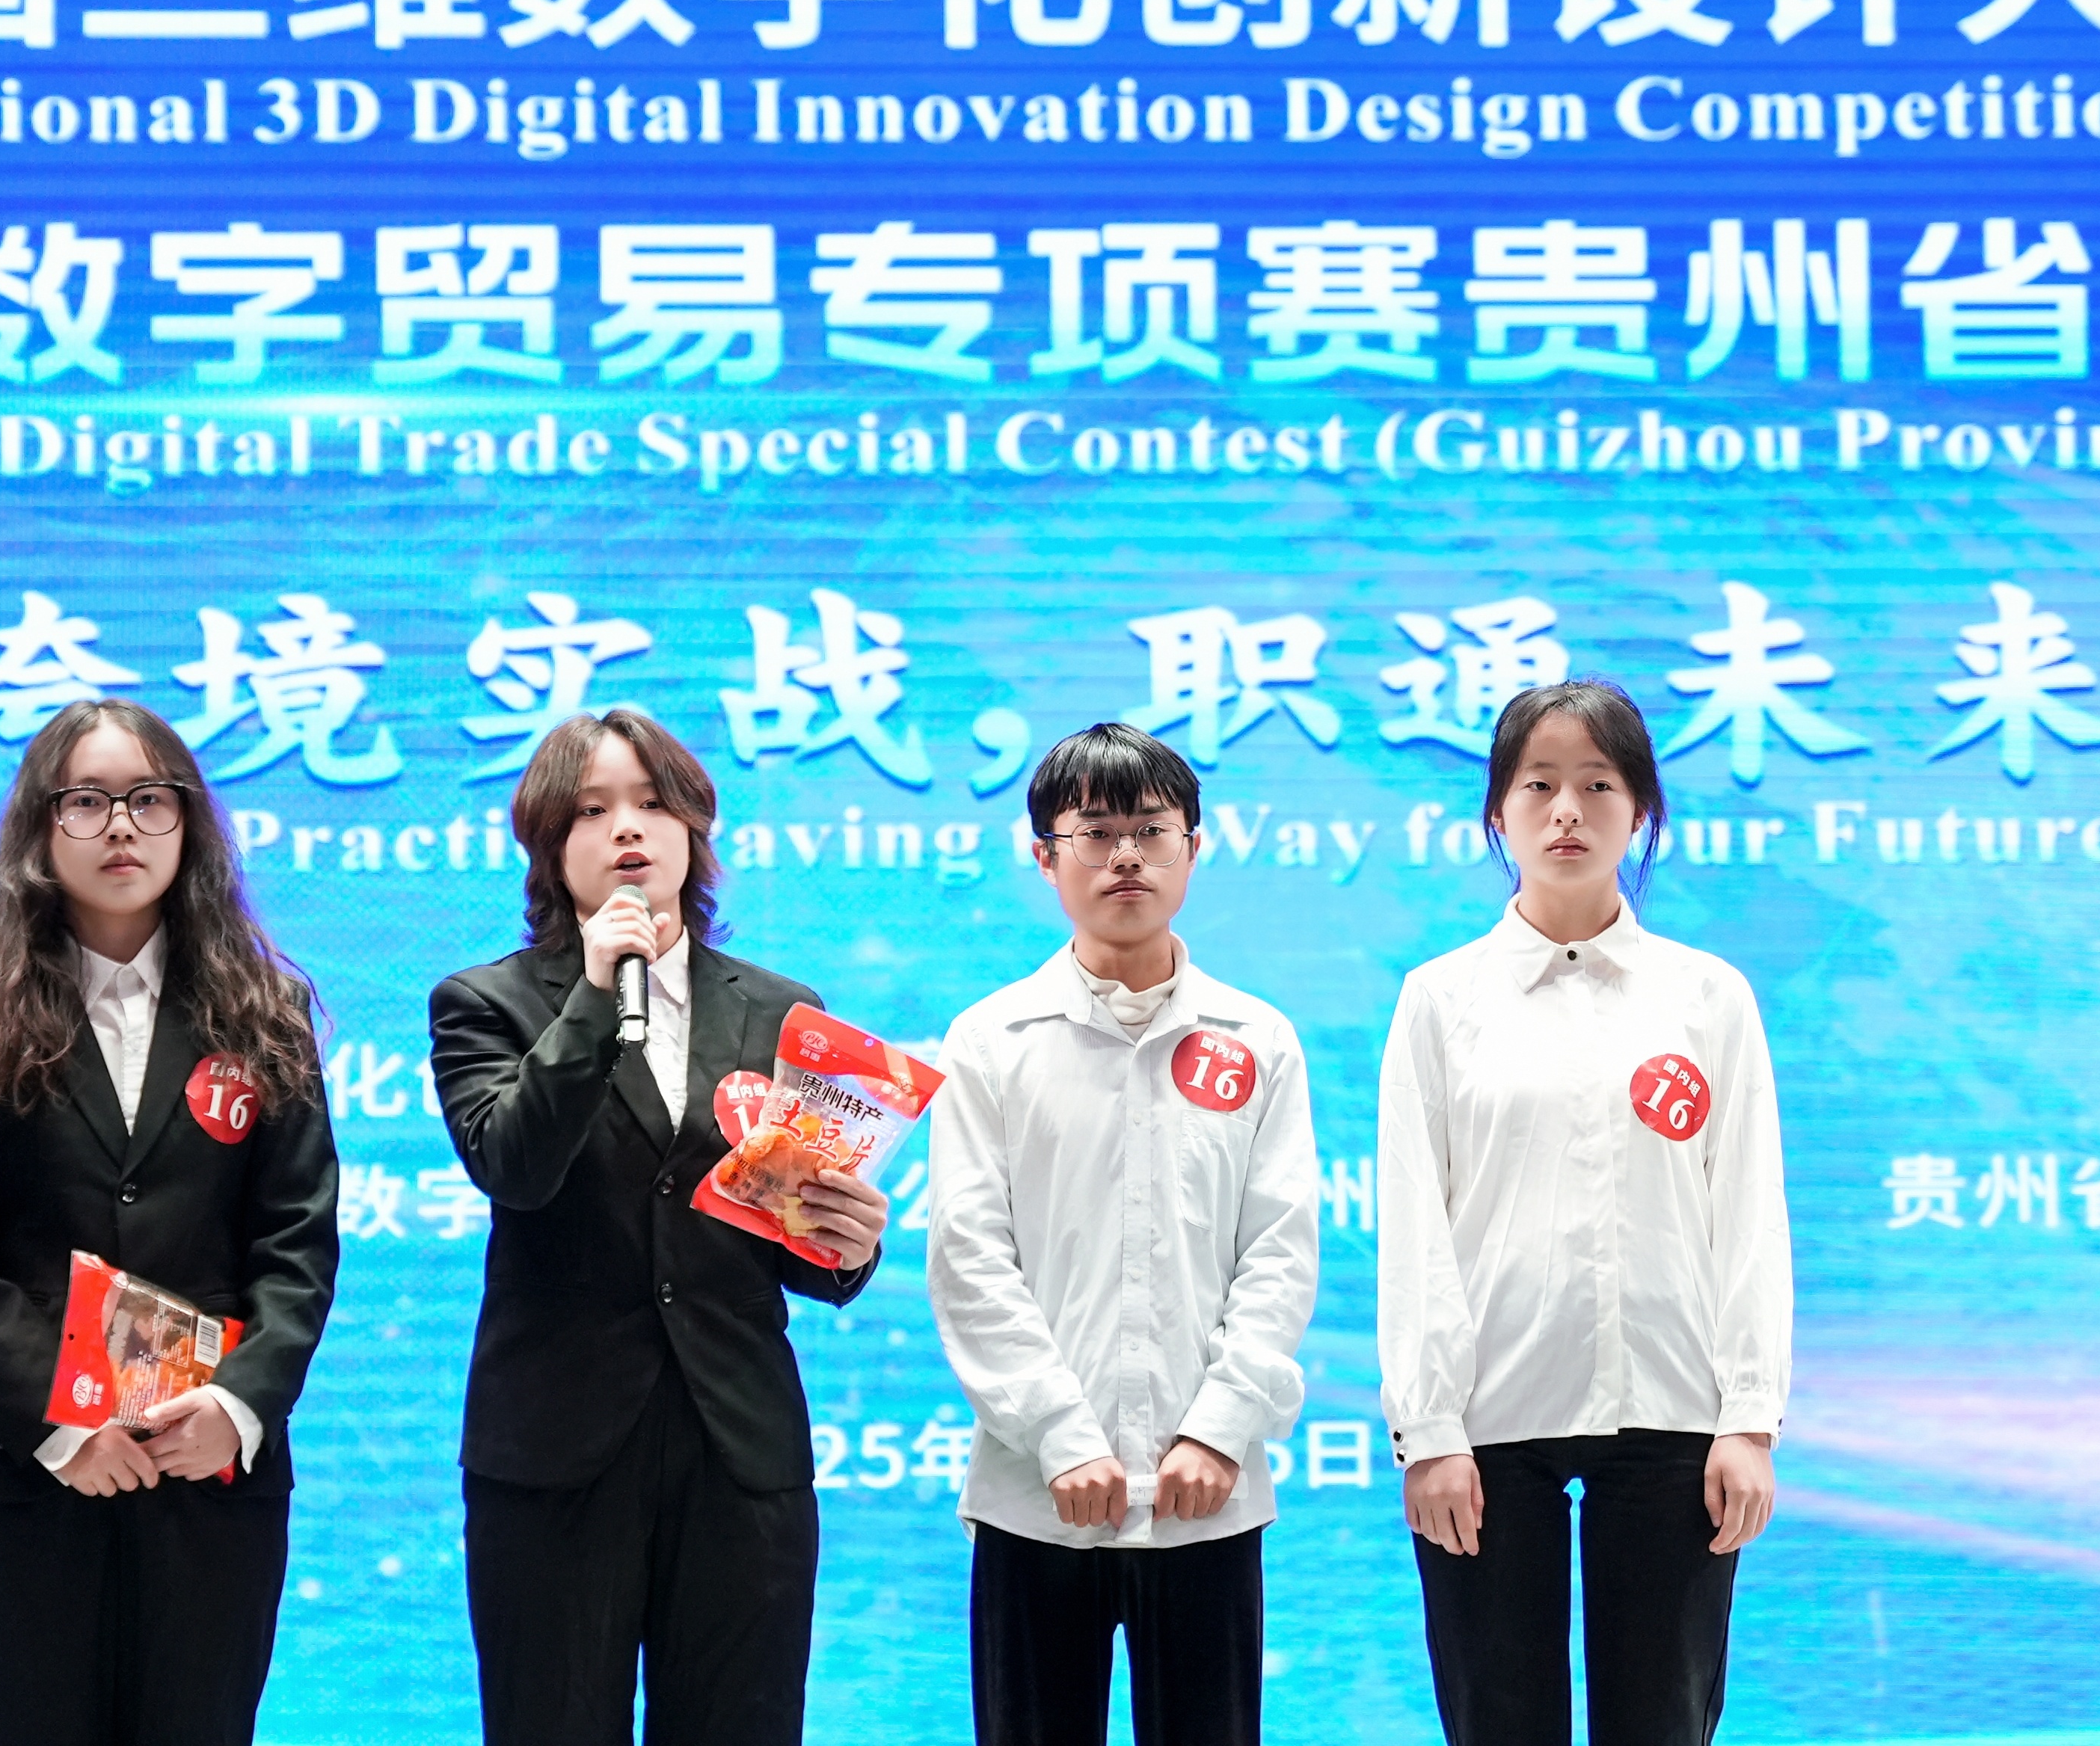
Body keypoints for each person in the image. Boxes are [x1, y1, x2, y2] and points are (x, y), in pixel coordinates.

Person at [429, 708, 891, 1746]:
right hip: (557, 1450)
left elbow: (792, 1238)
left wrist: (848, 1244)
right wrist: (596, 996)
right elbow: (515, 1168)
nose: (627, 829)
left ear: (694, 827)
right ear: (551, 847)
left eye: (651, 804)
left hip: (738, 1445)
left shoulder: (782, 1010)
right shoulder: (486, 1004)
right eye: (592, 811)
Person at [0, 698, 340, 1746]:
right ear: (40, 830)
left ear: (189, 823)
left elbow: (298, 1245)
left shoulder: (266, 1014)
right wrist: (61, 1426)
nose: (121, 827)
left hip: (207, 1475)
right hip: (26, 1478)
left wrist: (234, 1408)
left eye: (149, 800)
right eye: (87, 801)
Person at [1375, 680, 1792, 1746]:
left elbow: (1748, 1214)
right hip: (1487, 1420)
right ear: (1498, 813)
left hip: (1674, 1408)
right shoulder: (1441, 999)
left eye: (1598, 785)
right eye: (1539, 785)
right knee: (1498, 1720)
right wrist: (1428, 1430)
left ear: (1640, 810)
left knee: (1663, 1720)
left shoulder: (1708, 997)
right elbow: (1415, 1226)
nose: (1567, 811)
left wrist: (1749, 1420)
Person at [928, 722, 1319, 1746]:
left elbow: (1279, 1253)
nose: (1127, 857)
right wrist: (1062, 1436)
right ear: (1045, 856)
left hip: (1206, 1498)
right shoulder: (991, 1040)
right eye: (1095, 833)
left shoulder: (1258, 1039)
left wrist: (1219, 1428)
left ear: (1196, 846)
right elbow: (970, 1258)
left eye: (1152, 830)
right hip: (1036, 1497)